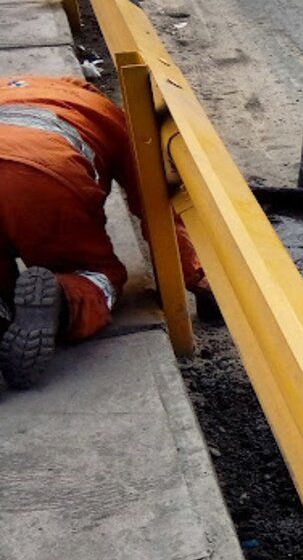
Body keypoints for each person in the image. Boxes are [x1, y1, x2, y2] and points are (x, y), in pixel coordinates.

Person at [0, 75, 207, 389]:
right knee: (99, 275)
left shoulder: (6, 87)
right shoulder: (109, 113)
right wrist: (195, 278)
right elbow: (156, 207)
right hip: (43, 178)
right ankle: (63, 298)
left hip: (28, 170)